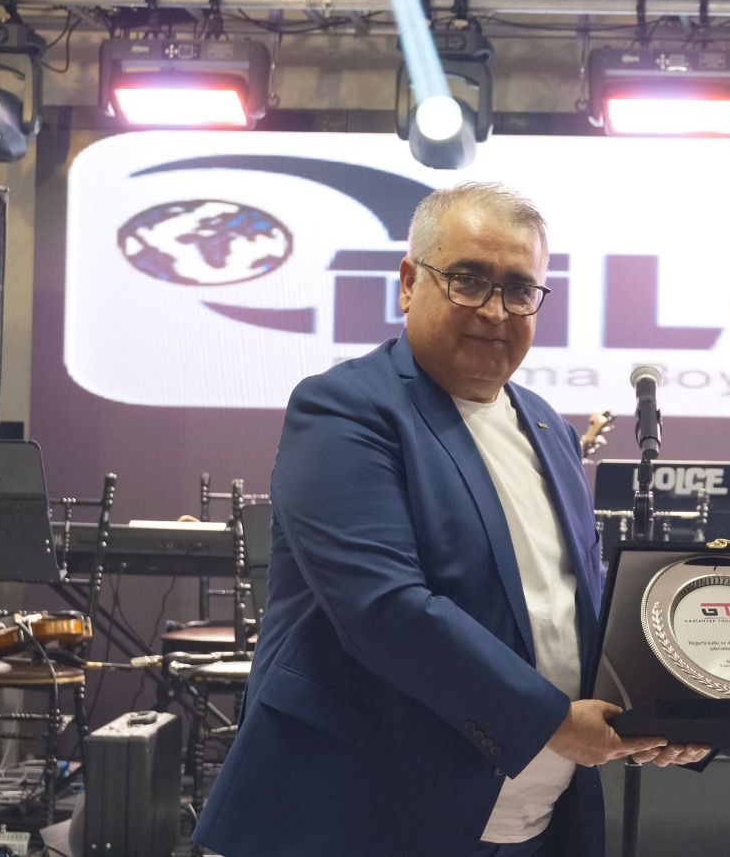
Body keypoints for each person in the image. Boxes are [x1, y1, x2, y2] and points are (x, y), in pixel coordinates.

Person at [195, 183, 703, 857]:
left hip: (533, 821)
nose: (494, 310)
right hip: (364, 817)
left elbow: (578, 601)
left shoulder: (547, 427)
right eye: (468, 280)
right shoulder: (344, 410)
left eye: (519, 289)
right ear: (409, 284)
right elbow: (385, 609)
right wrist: (553, 722)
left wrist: (661, 710)